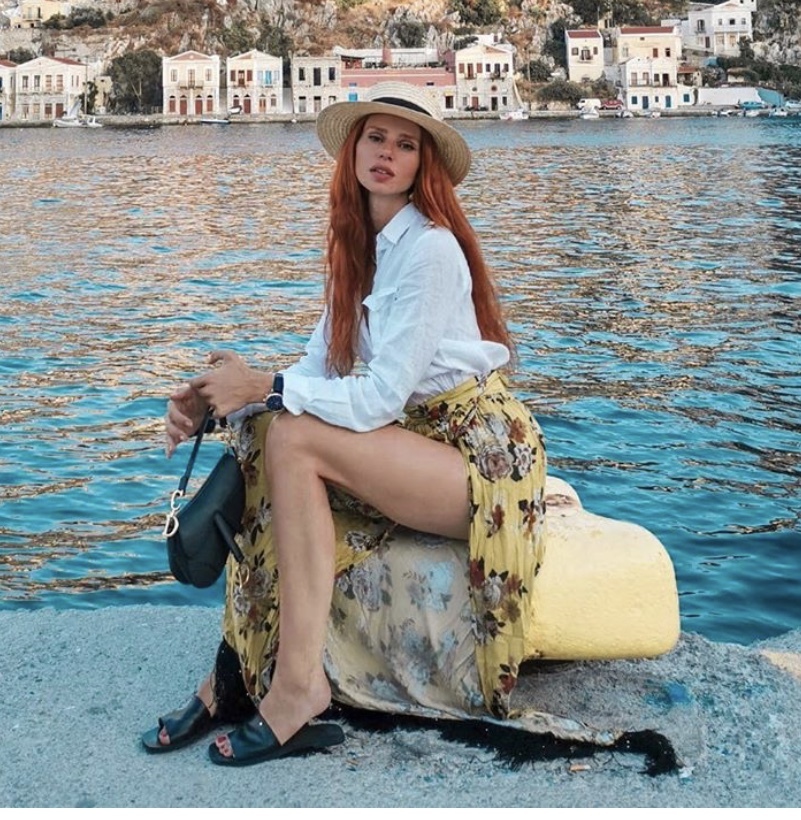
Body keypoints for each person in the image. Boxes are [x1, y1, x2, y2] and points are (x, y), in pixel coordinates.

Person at [142, 81, 547, 767]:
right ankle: (233, 675)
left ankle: (297, 690)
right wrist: (221, 398)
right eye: (375, 138)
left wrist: (263, 388)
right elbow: (316, 371)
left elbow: (380, 397)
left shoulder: (430, 250)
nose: (387, 153)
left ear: (423, 165)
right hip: (413, 443)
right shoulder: (358, 247)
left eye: (405, 145)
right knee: (266, 433)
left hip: (478, 463)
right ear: (354, 150)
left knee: (292, 435)